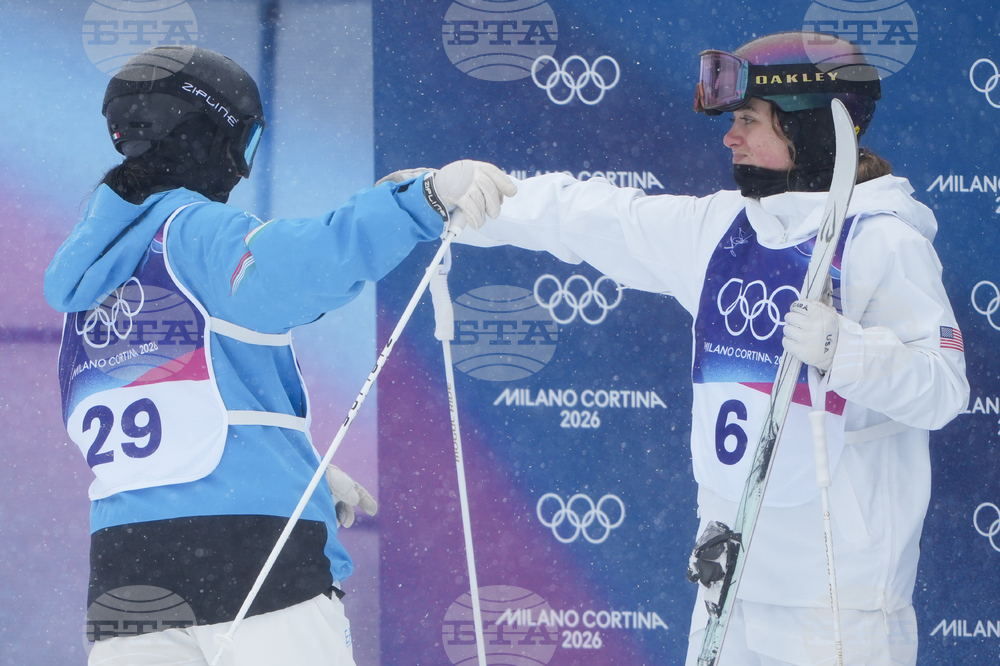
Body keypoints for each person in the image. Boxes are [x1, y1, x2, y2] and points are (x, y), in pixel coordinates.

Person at [454, 31, 969, 665]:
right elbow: (597, 216)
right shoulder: (722, 227)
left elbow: (943, 389)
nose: (730, 137)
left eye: (748, 120)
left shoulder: (882, 242)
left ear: (810, 127)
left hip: (838, 604)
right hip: (729, 584)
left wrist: (846, 349)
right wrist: (447, 200)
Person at [44, 45, 514, 666]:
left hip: (126, 577)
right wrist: (419, 200)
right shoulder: (193, 232)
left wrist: (296, 467)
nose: (240, 168)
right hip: (250, 556)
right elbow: (301, 264)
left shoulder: (90, 286)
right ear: (208, 134)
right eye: (244, 142)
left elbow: (172, 407)